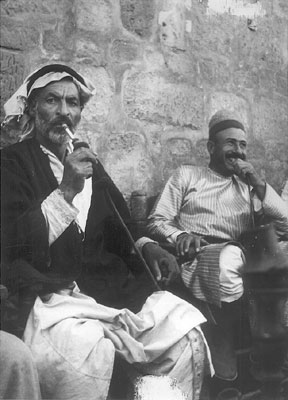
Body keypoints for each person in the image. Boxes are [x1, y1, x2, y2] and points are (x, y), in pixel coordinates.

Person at [1, 64, 213, 400]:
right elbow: (14, 243)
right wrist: (67, 190)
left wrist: (147, 246)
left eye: (72, 103)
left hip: (106, 289)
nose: (64, 113)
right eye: (52, 101)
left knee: (184, 333)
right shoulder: (13, 162)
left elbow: (120, 223)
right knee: (87, 353)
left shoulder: (89, 163)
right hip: (51, 296)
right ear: (32, 109)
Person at [147, 109, 288, 381]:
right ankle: (225, 351)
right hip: (202, 255)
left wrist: (257, 181)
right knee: (229, 262)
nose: (238, 151)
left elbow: (285, 226)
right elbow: (156, 220)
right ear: (211, 147)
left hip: (246, 254)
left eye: (243, 145)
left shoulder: (248, 187)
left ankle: (268, 353)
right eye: (230, 143)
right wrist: (180, 236)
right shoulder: (187, 175)